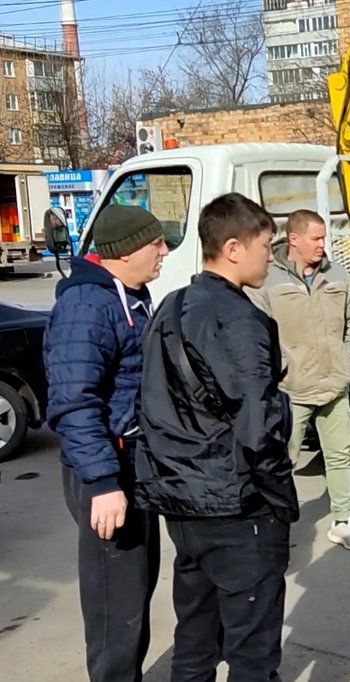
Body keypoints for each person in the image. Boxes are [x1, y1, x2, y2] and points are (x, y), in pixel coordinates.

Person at [133, 193, 299, 682]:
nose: (271, 255)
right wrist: (278, 497)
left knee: (196, 640)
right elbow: (258, 422)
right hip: (235, 506)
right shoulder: (237, 318)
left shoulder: (171, 305)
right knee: (251, 652)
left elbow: (152, 404)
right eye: (266, 245)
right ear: (232, 247)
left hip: (184, 503)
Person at [43, 204, 168, 682]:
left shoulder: (130, 295)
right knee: (116, 606)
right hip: (107, 469)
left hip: (131, 464)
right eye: (155, 243)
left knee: (135, 590)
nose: (163, 251)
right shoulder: (86, 306)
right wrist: (102, 481)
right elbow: (74, 403)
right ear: (124, 251)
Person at [248, 209, 350, 550]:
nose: (322, 245)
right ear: (294, 239)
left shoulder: (338, 274)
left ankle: (343, 521)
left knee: (339, 455)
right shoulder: (267, 278)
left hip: (334, 383)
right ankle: (275, 531)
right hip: (292, 390)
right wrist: (280, 368)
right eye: (315, 238)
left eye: (323, 238)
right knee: (283, 461)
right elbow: (257, 330)